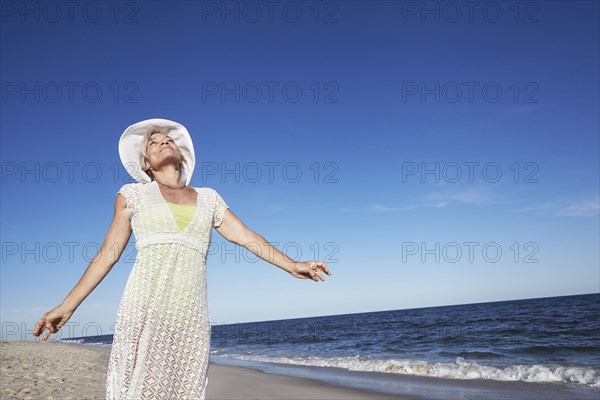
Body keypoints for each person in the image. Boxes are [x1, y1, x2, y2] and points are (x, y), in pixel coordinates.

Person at [33, 118, 331, 400]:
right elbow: (107, 255)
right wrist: (67, 306)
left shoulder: (209, 198)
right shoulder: (133, 195)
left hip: (191, 317)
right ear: (146, 164)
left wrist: (292, 265)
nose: (163, 143)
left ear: (181, 155)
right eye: (154, 143)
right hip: (144, 309)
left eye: (168, 140)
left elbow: (246, 236)